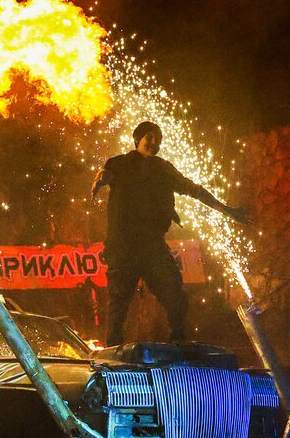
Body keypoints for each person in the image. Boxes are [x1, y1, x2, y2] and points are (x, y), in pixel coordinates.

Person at [91, 121, 251, 345]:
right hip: (123, 247)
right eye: (150, 136)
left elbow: (196, 191)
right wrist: (101, 180)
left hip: (152, 246)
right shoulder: (120, 163)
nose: (154, 142)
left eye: (158, 139)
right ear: (137, 139)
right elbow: (106, 173)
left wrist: (227, 210)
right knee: (118, 305)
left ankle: (178, 339)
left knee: (175, 294)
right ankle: (114, 350)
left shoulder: (164, 169)